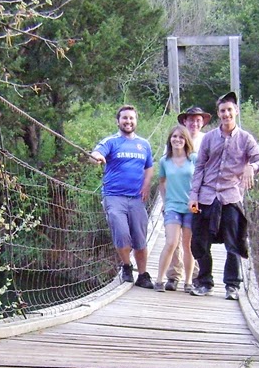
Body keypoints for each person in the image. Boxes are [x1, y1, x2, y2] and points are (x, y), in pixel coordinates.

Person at [188, 91, 259, 300]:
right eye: (222, 111)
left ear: (236, 111)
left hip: (230, 196)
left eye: (229, 110)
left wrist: (253, 166)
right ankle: (204, 281)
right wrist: (193, 195)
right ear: (218, 113)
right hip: (206, 196)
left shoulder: (246, 139)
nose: (226, 114)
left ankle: (232, 285)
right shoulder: (209, 139)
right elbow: (200, 167)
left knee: (233, 242)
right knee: (199, 241)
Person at [90, 105, 155, 289]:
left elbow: (149, 167)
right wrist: (97, 158)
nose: (128, 121)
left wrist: (147, 184)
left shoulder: (144, 144)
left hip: (136, 198)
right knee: (122, 234)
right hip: (114, 197)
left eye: (131, 118)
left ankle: (143, 275)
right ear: (118, 121)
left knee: (140, 239)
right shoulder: (111, 141)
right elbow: (95, 153)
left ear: (136, 121)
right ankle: (126, 266)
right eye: (124, 118)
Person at [164, 106, 211, 292]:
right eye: (191, 120)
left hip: (199, 197)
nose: (195, 123)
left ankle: (195, 277)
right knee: (173, 240)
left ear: (202, 122)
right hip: (176, 199)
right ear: (185, 121)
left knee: (195, 238)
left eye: (198, 120)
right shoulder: (176, 138)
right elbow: (166, 169)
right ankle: (174, 276)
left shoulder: (208, 139)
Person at [154, 125, 197, 292]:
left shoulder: (193, 158)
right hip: (173, 206)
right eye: (174, 137)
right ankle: (159, 280)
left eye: (181, 137)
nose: (177, 140)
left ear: (186, 140)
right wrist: (165, 202)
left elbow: (201, 179)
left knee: (188, 245)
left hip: (190, 207)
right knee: (171, 242)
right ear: (169, 139)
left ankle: (188, 282)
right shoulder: (165, 161)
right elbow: (162, 182)